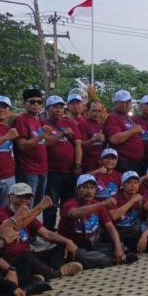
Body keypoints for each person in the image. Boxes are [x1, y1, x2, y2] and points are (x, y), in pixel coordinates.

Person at [0, 184, 83, 287]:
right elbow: (11, 227)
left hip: (28, 254)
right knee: (27, 257)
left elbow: (46, 233)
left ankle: (38, 273)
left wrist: (67, 241)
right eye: (19, 197)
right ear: (9, 198)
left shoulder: (28, 214)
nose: (24, 201)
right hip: (8, 258)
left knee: (62, 246)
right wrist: (39, 207)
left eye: (27, 198)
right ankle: (56, 273)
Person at [58, 174, 136, 269]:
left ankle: (101, 259)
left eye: (92, 188)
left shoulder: (97, 204)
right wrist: (103, 203)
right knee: (81, 254)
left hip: (91, 246)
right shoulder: (70, 204)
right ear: (77, 189)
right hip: (72, 246)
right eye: (85, 187)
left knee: (118, 245)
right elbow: (74, 213)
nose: (89, 191)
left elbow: (110, 227)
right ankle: (112, 260)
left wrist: (118, 246)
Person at [42, 95, 82, 230]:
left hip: (69, 170)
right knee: (51, 202)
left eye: (61, 107)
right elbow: (45, 142)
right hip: (52, 171)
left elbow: (78, 143)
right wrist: (61, 134)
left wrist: (77, 164)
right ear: (47, 109)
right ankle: (48, 228)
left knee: (69, 201)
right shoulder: (43, 124)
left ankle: (66, 227)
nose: (58, 110)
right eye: (55, 107)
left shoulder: (69, 122)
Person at [13, 88, 51, 205]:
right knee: (25, 206)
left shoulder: (39, 120)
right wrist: (41, 136)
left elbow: (43, 143)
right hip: (28, 170)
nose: (36, 104)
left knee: (36, 206)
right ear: (24, 103)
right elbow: (22, 145)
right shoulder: (21, 120)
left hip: (43, 169)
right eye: (32, 102)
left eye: (39, 102)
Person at [108, 171, 148, 253]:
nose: (133, 186)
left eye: (135, 183)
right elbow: (114, 216)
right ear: (122, 185)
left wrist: (145, 235)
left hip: (134, 232)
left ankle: (128, 249)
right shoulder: (115, 198)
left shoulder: (141, 199)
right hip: (119, 232)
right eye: (129, 183)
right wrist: (132, 201)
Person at [105, 90, 144, 173]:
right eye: (124, 102)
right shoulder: (113, 117)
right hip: (124, 162)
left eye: (129, 101)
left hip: (134, 161)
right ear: (116, 103)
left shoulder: (126, 116)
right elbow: (114, 139)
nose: (127, 104)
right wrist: (134, 130)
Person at [78, 101, 106, 173]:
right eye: (94, 111)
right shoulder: (82, 124)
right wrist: (93, 139)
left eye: (99, 111)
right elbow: (81, 145)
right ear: (88, 111)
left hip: (101, 164)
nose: (97, 114)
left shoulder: (102, 125)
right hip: (87, 166)